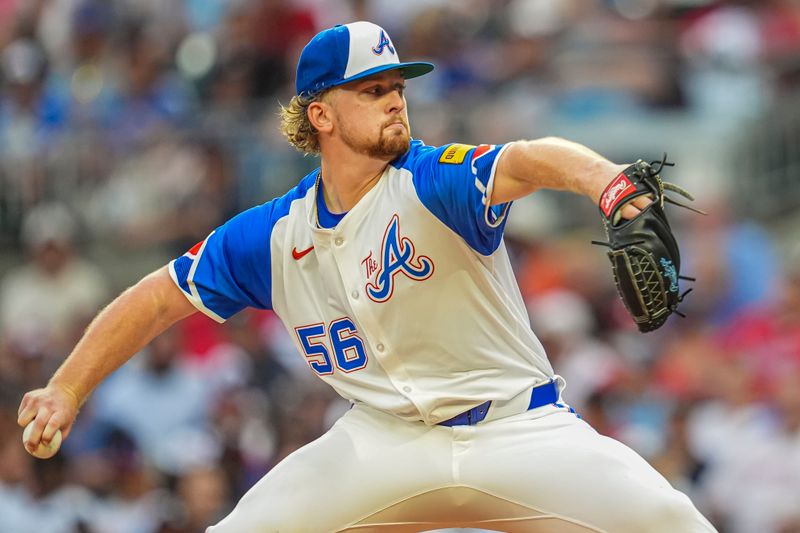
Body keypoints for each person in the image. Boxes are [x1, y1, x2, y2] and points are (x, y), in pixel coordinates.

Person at [18, 21, 717, 532]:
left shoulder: (432, 180)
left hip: (519, 428)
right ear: (319, 113)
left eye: (397, 87)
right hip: (383, 442)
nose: (395, 100)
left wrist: (614, 189)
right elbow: (156, 298)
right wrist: (66, 386)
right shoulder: (271, 234)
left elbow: (530, 158)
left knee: (672, 521)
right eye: (373, 89)